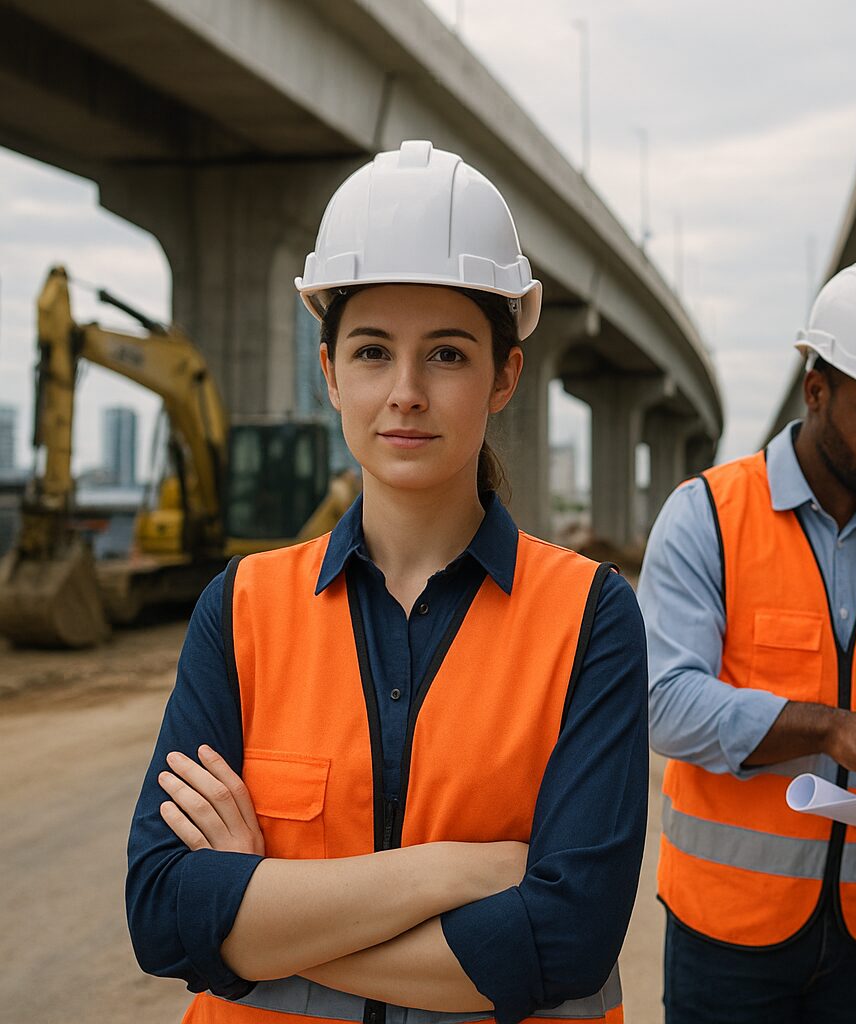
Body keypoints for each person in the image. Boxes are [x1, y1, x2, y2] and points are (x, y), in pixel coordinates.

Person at [125, 141, 646, 1024]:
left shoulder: (590, 616)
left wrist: (260, 911)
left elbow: (566, 939)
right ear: (329, 372)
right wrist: (463, 871)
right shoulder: (242, 608)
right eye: (372, 352)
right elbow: (163, 915)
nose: (404, 392)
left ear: (504, 375)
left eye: (446, 355)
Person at [638, 257, 856, 1024]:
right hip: (726, 934)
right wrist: (829, 728)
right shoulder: (709, 518)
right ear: (816, 391)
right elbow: (661, 703)